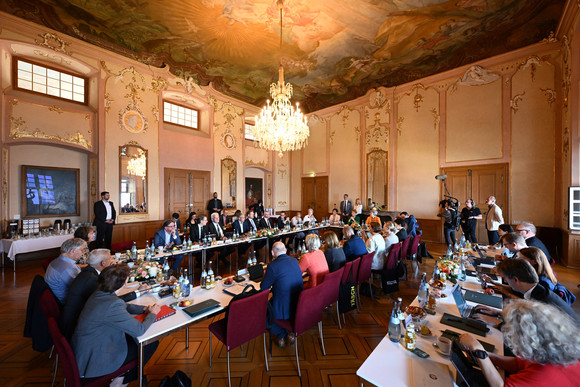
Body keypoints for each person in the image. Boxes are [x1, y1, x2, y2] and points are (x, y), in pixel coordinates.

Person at [72, 264, 160, 386]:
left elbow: (122, 304)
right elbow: (139, 330)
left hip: (89, 347)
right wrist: (153, 314)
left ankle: (121, 377)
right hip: (96, 358)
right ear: (123, 283)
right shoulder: (112, 305)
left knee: (133, 339)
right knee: (149, 343)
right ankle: (121, 380)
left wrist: (144, 309)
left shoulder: (100, 292)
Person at [459, 300, 580, 387]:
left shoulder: (544, 375)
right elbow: (518, 364)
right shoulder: (552, 350)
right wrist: (488, 356)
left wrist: (479, 351)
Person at [476, 259, 579, 326]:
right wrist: (498, 312)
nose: (505, 281)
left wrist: (496, 322)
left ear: (516, 280)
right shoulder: (538, 290)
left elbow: (526, 330)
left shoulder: (541, 302)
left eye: (505, 278)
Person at [60, 249, 113, 340]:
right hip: (76, 326)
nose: (112, 261)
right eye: (110, 259)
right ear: (103, 263)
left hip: (73, 316)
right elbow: (107, 301)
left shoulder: (88, 272)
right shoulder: (91, 279)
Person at [260, 242, 303, 347]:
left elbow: (263, 287)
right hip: (299, 302)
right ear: (285, 250)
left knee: (261, 314)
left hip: (282, 304)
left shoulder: (272, 266)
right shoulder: (294, 261)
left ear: (272, 252)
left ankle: (281, 334)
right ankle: (290, 332)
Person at [45, 238, 87, 303]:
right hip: (68, 302)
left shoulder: (59, 260)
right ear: (72, 251)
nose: (84, 252)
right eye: (82, 250)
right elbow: (80, 288)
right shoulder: (67, 268)